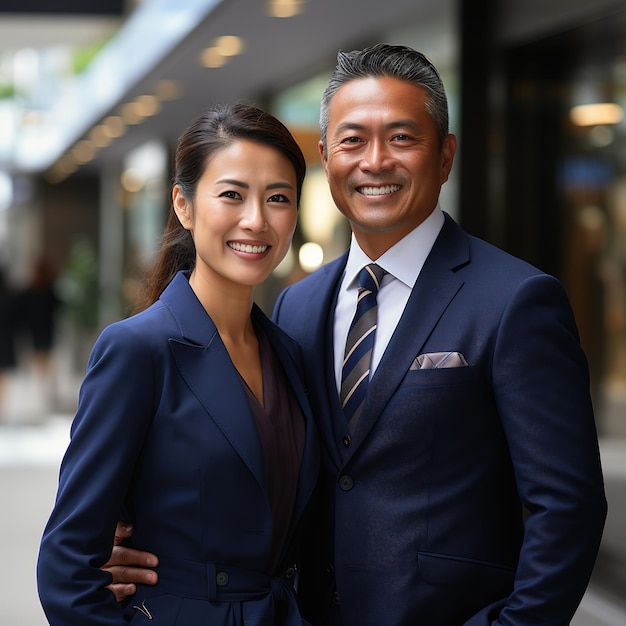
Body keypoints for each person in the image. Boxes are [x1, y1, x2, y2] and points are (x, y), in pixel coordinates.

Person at [105, 44, 607, 625]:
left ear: (445, 156)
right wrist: (148, 552)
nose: (374, 161)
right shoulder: (296, 306)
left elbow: (568, 509)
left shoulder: (516, 300)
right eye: (351, 140)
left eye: (401, 138)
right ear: (324, 156)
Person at [36, 103, 319, 626]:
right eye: (232, 194)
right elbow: (66, 566)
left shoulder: (289, 353)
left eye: (277, 198)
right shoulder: (137, 349)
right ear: (184, 206)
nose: (256, 219)